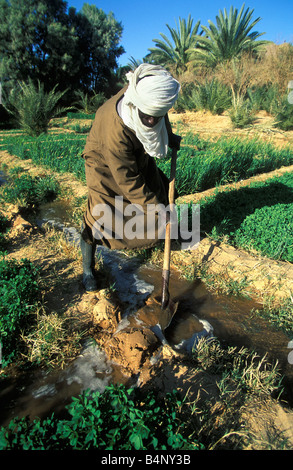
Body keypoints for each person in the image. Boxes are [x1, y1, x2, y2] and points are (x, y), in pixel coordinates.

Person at [80, 64, 181, 292]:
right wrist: (156, 209)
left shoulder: (148, 98)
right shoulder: (115, 127)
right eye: (147, 117)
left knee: (159, 189)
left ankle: (164, 238)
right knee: (99, 215)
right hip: (103, 164)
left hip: (135, 153)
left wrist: (170, 136)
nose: (152, 123)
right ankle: (87, 270)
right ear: (136, 107)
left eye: (156, 117)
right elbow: (128, 180)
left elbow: (160, 114)